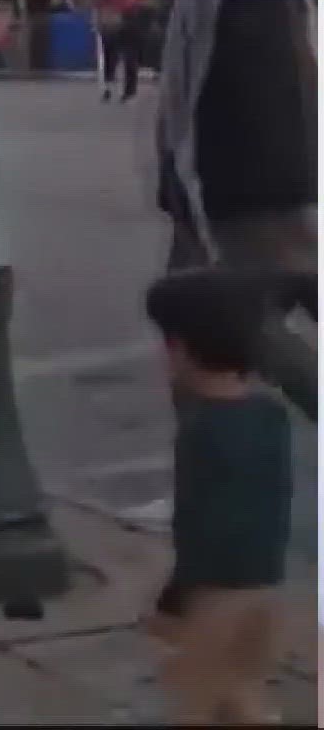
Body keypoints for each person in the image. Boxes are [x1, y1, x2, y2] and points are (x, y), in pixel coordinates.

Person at [133, 0, 317, 421]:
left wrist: (238, 191)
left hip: (241, 194)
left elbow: (268, 95)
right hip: (221, 192)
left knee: (231, 320)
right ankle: (205, 452)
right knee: (201, 319)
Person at [142, 269, 291, 725]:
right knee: (245, 696)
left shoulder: (201, 430)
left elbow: (200, 525)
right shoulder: (270, 413)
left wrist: (173, 598)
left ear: (178, 349)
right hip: (265, 585)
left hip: (214, 596)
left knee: (193, 704)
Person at [96, 0, 143, 103]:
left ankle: (112, 88)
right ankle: (126, 90)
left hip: (117, 22)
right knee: (125, 56)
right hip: (123, 21)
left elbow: (102, 2)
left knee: (114, 56)